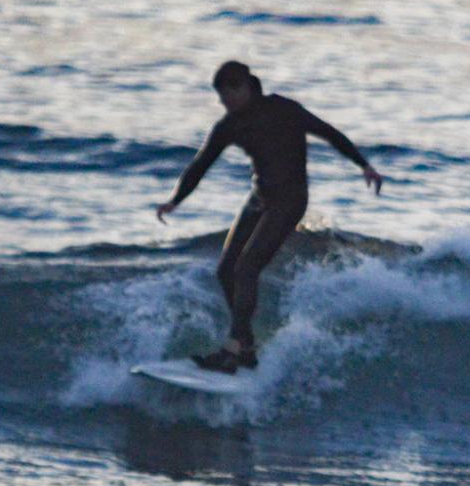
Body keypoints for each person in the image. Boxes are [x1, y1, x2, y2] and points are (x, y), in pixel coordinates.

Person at [155, 60, 382, 372]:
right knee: (225, 271)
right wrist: (174, 201)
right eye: (222, 99)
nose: (226, 103)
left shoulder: (284, 110)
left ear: (245, 87)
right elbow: (200, 165)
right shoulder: (230, 125)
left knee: (247, 267)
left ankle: (232, 350)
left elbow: (329, 133)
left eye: (229, 95)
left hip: (289, 201)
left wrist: (364, 165)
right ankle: (245, 347)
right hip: (259, 198)